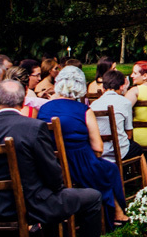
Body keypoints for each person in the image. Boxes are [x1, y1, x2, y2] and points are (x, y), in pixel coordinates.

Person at [0, 80, 111, 237]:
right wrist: (56, 188)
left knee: (50, 193)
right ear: (22, 102)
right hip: (32, 206)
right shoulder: (34, 128)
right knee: (92, 197)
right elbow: (52, 173)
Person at [38, 66, 128, 227]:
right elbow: (98, 147)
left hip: (51, 165)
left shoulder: (44, 109)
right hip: (79, 164)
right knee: (110, 169)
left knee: (103, 169)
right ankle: (117, 213)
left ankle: (116, 212)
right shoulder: (84, 110)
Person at [90, 69, 143, 164]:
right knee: (138, 149)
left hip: (99, 150)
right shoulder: (125, 102)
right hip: (119, 151)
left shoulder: (93, 104)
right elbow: (129, 134)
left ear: (103, 87)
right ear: (122, 87)